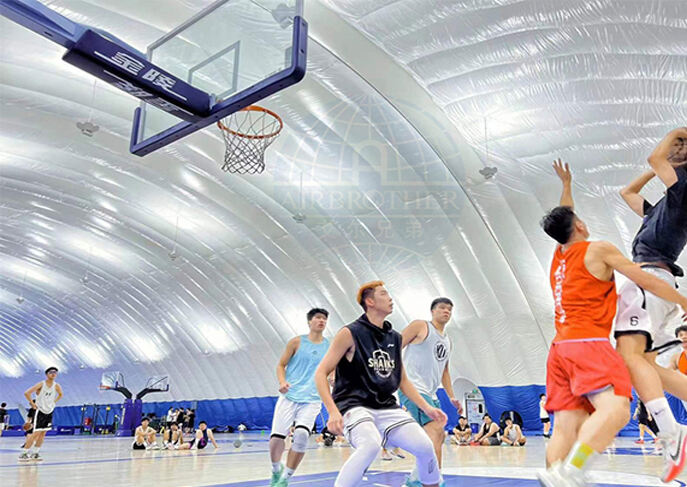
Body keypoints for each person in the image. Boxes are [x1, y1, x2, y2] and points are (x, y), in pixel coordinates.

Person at [537, 159, 687, 487]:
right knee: (617, 409)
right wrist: (683, 301)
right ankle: (574, 469)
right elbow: (644, 280)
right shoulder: (598, 249)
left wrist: (567, 185)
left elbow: (563, 217)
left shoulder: (560, 255)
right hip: (587, 344)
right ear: (578, 226)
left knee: (566, 423)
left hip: (558, 349)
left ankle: (556, 477)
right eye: (579, 219)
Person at [314, 281, 446, 487]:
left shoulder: (394, 337)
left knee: (425, 446)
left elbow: (402, 380)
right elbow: (321, 373)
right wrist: (332, 411)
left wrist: (427, 408)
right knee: (370, 445)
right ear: (370, 301)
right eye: (384, 294)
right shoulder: (350, 333)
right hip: (354, 405)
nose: (390, 298)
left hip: (386, 407)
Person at [615, 127, 687, 482]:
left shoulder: (685, 188)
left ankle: (673, 437)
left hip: (652, 280)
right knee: (641, 364)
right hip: (655, 283)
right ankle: (674, 434)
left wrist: (678, 134)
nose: (674, 151)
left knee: (629, 358)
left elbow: (655, 158)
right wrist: (661, 167)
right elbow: (626, 192)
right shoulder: (663, 206)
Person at [400, 297, 463, 486]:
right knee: (435, 431)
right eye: (442, 308)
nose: (446, 311)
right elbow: (394, 347)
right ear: (432, 311)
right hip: (413, 388)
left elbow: (444, 371)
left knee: (439, 435)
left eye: (450, 309)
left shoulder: (448, 341)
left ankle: (417, 478)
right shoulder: (420, 326)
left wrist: (452, 396)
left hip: (431, 393)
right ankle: (433, 481)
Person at [269, 308, 330, 487]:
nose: (322, 321)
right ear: (309, 322)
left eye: (324, 319)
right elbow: (281, 365)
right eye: (318, 318)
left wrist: (333, 376)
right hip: (290, 396)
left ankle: (285, 478)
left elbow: (331, 368)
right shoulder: (296, 342)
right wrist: (282, 381)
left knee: (302, 434)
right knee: (276, 439)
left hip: (312, 398)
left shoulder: (329, 346)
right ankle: (275, 470)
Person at [19, 367, 63, 461]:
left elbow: (60, 394)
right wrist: (33, 403)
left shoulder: (56, 385)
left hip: (49, 411)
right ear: (47, 374)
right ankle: (24, 453)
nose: (53, 374)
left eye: (55, 372)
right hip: (40, 411)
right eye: (51, 372)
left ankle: (35, 453)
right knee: (36, 433)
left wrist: (53, 402)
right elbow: (27, 393)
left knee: (43, 434)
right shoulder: (41, 384)